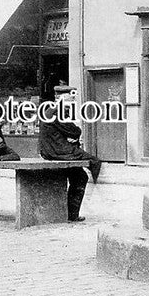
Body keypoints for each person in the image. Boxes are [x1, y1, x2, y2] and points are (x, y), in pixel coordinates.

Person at [38, 84, 103, 222]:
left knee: (79, 176)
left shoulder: (52, 110)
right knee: (94, 162)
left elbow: (68, 131)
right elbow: (74, 131)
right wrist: (74, 133)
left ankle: (72, 214)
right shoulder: (58, 111)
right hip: (58, 151)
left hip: (53, 150)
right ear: (61, 98)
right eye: (71, 97)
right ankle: (97, 185)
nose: (73, 100)